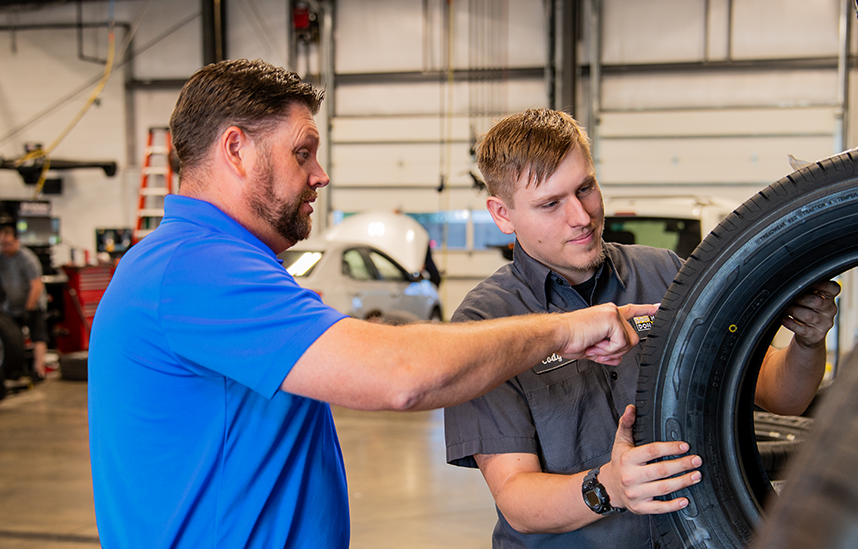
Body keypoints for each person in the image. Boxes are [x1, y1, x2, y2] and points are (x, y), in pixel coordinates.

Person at [87, 59, 657, 549]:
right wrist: (564, 331)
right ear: (236, 149)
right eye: (302, 153)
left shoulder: (224, 265)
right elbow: (401, 376)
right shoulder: (193, 268)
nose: (321, 175)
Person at [443, 109, 840, 548]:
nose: (581, 216)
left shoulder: (669, 275)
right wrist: (610, 486)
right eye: (551, 203)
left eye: (586, 188)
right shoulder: (485, 324)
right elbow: (517, 496)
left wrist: (808, 339)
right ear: (502, 215)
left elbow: (782, 395)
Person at [0, 223, 49, 380]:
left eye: (8, 244)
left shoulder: (27, 259)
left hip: (32, 304)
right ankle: (14, 370)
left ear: (17, 241)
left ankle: (38, 370)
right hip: (10, 306)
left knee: (38, 336)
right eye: (2, 244)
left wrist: (28, 309)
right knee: (11, 338)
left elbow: (36, 285)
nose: (5, 247)